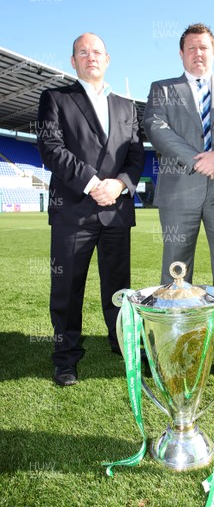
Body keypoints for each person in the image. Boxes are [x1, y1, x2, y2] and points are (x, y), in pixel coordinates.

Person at [37, 33, 145, 386]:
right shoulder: (55, 98)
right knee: (67, 288)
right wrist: (92, 183)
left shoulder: (127, 106)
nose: (90, 56)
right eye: (82, 52)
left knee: (118, 286)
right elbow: (51, 147)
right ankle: (65, 357)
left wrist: (119, 184)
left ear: (108, 58)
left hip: (116, 208)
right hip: (74, 210)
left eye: (96, 51)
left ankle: (120, 342)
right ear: (73, 62)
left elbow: (135, 154)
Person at [143, 22, 214, 349]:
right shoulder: (162, 89)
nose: (198, 53)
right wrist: (198, 159)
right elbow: (156, 127)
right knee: (176, 269)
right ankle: (176, 337)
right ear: (181, 53)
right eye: (191, 48)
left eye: (203, 47)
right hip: (180, 192)